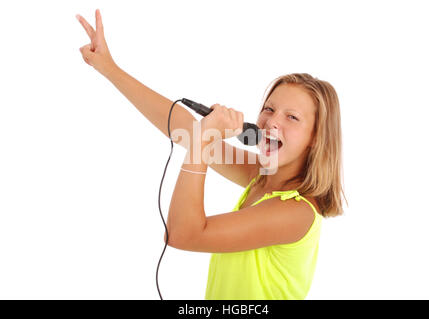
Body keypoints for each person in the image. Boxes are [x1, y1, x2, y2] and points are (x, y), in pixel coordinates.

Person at [76, 9, 347, 300]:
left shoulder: (295, 212)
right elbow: (181, 126)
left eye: (292, 117)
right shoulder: (262, 176)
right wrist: (109, 69)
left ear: (315, 138)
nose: (272, 122)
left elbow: (183, 234)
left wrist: (204, 139)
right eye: (269, 109)